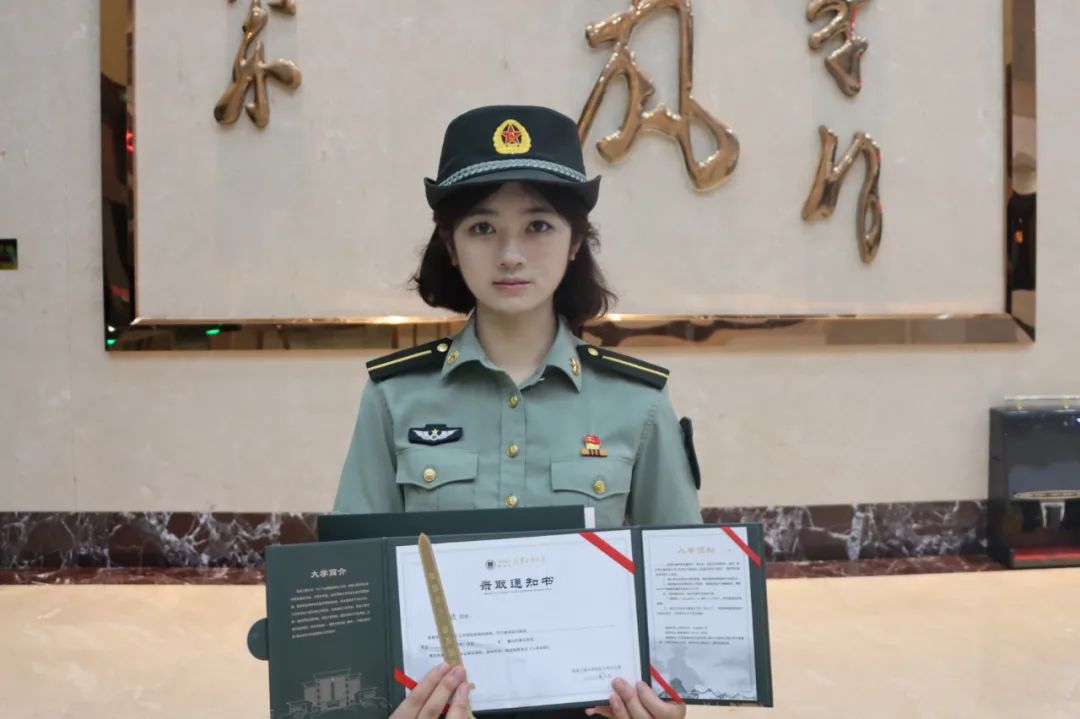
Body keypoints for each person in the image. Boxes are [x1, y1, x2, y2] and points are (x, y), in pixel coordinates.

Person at [334, 104, 701, 719]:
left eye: (538, 226)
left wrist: (668, 703)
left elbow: (682, 589)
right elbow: (351, 584)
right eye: (482, 227)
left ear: (575, 241)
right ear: (450, 245)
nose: (510, 254)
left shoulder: (637, 401)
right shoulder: (394, 397)